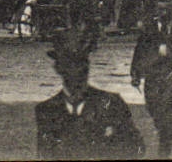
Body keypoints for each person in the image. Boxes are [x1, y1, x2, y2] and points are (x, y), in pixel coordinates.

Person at [35, 29, 143, 160]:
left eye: (81, 63)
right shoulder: (47, 111)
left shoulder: (110, 104)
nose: (77, 71)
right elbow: (45, 154)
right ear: (58, 68)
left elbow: (137, 147)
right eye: (69, 65)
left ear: (87, 66)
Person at [130, 0, 172, 157]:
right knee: (152, 107)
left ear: (171, 11)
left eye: (165, 10)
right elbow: (139, 52)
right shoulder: (149, 30)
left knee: (170, 114)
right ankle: (163, 130)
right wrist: (136, 75)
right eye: (159, 10)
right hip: (152, 76)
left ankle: (164, 149)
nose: (162, 13)